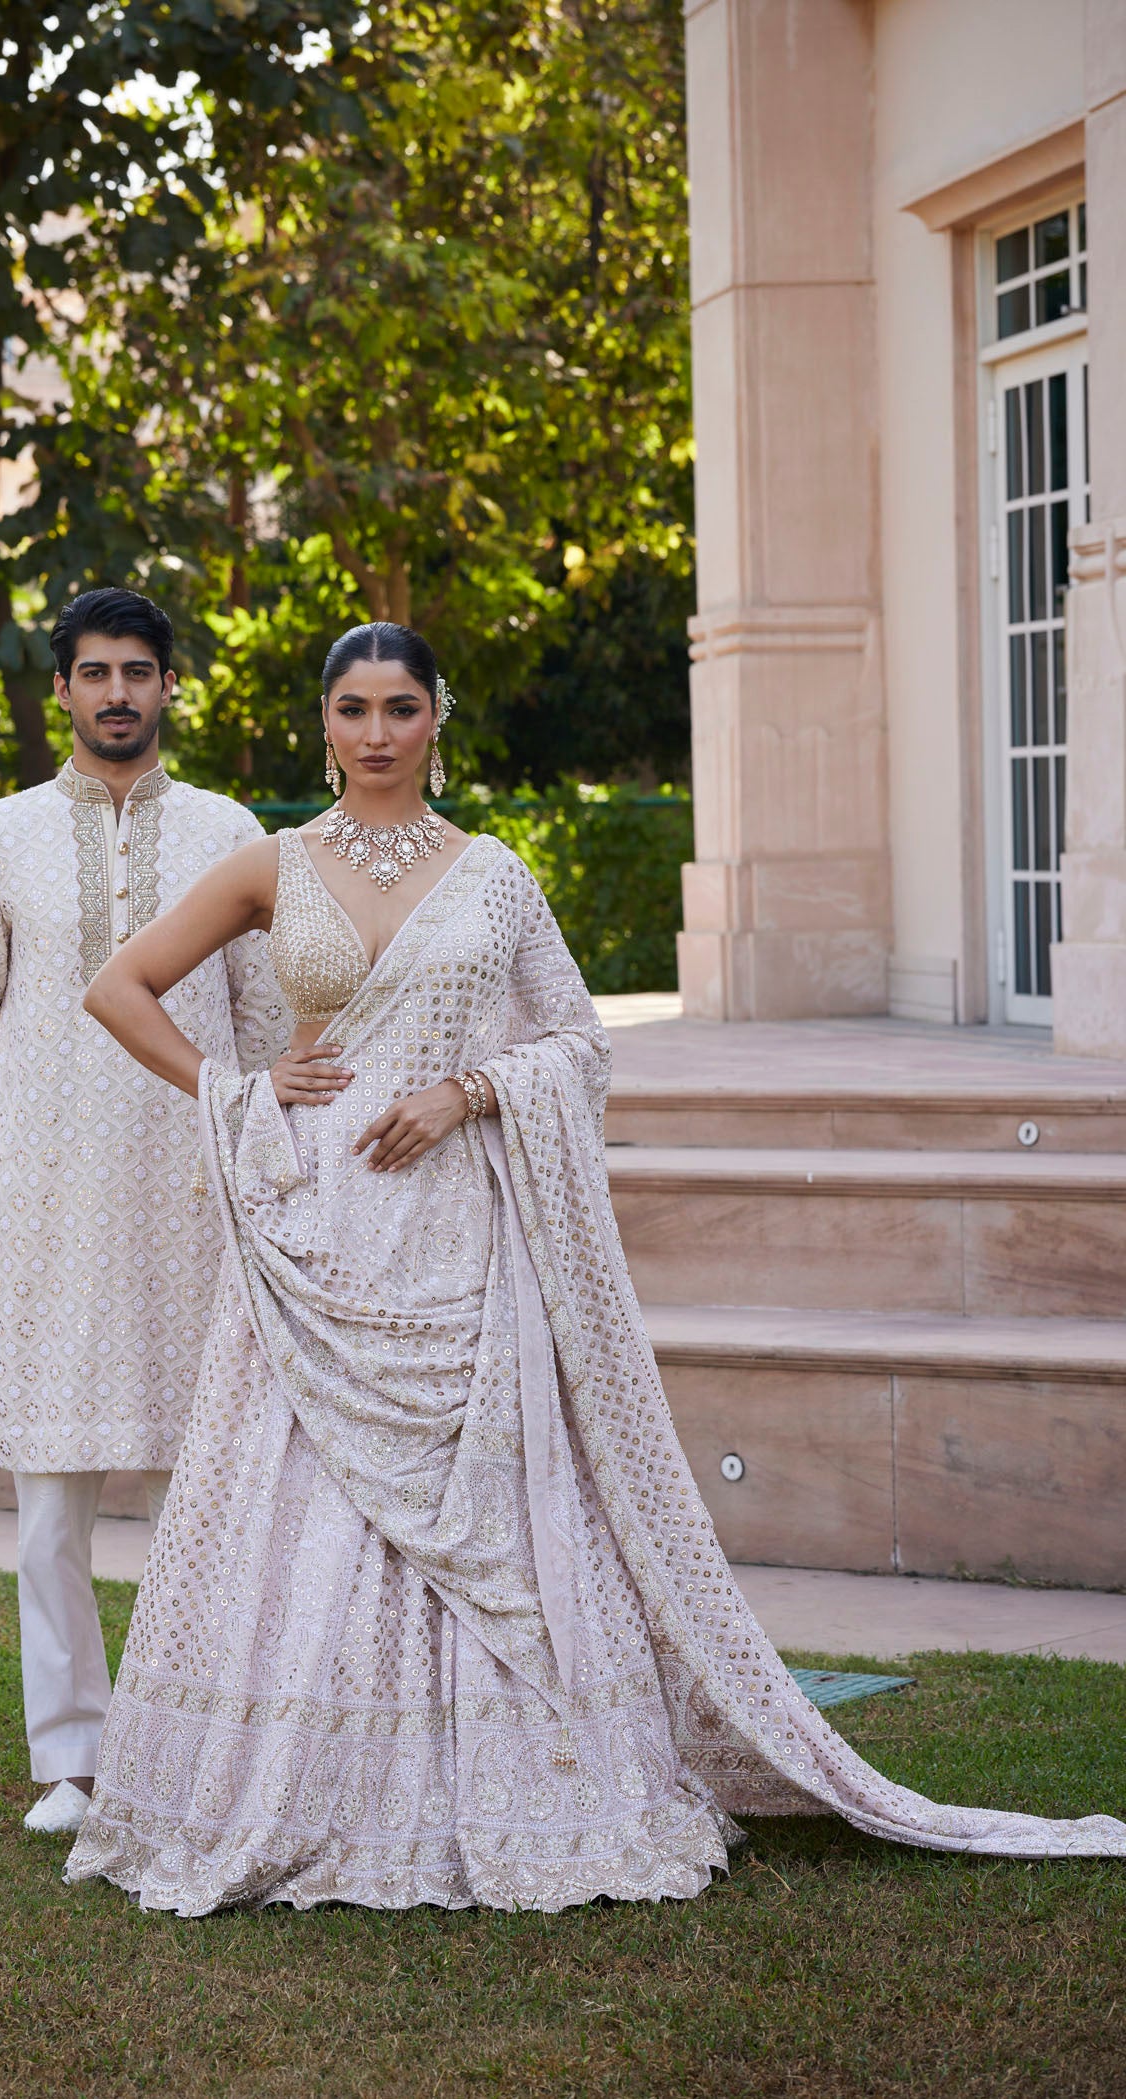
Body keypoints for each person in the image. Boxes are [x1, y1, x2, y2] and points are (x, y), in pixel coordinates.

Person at [64, 619, 1126, 1914]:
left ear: (437, 718)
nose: (379, 732)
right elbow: (120, 986)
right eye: (354, 707)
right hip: (315, 1228)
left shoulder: (495, 874)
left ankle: (513, 1786)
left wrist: (469, 1090)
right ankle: (299, 1788)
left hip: (455, 1228)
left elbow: (576, 1039)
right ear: (323, 722)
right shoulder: (270, 867)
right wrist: (234, 1086)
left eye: (402, 706)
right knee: (306, 1501)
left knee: (482, 1500)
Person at [0, 585, 286, 1836]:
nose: (118, 693)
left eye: (139, 670)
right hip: (53, 1202)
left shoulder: (230, 829)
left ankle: (206, 1741)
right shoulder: (0, 836)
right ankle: (72, 1757)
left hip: (195, 1191)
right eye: (96, 673)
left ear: (169, 685)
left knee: (217, 1484)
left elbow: (268, 1010)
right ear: (64, 692)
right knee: (50, 1501)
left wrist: (235, 1132)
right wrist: (43, 1112)